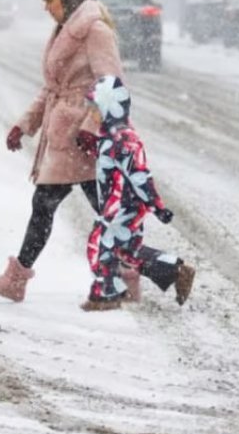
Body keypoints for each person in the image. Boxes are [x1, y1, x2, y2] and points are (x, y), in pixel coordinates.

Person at [0, 0, 125, 302]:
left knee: (47, 205)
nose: (46, 7)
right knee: (96, 211)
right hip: (65, 135)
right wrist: (24, 125)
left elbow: (112, 84)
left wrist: (92, 128)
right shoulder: (66, 30)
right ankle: (165, 269)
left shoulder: (95, 31)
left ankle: (16, 281)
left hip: (80, 138)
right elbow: (53, 88)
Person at [79, 75, 196, 311]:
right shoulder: (111, 137)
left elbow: (139, 175)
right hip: (121, 204)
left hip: (124, 204)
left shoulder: (123, 139)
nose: (90, 114)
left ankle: (107, 293)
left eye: (95, 108)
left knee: (100, 243)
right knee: (126, 250)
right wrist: (95, 147)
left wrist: (157, 206)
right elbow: (113, 166)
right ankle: (174, 270)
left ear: (110, 107)